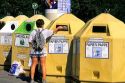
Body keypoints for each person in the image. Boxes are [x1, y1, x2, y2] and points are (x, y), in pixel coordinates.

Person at [28, 19, 63, 83]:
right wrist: (58, 27)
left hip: (34, 51)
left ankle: (32, 79)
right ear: (43, 24)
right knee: (43, 65)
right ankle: (43, 80)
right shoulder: (46, 31)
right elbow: (54, 31)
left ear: (36, 24)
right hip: (42, 51)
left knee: (33, 65)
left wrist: (35, 46)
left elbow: (30, 42)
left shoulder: (33, 32)